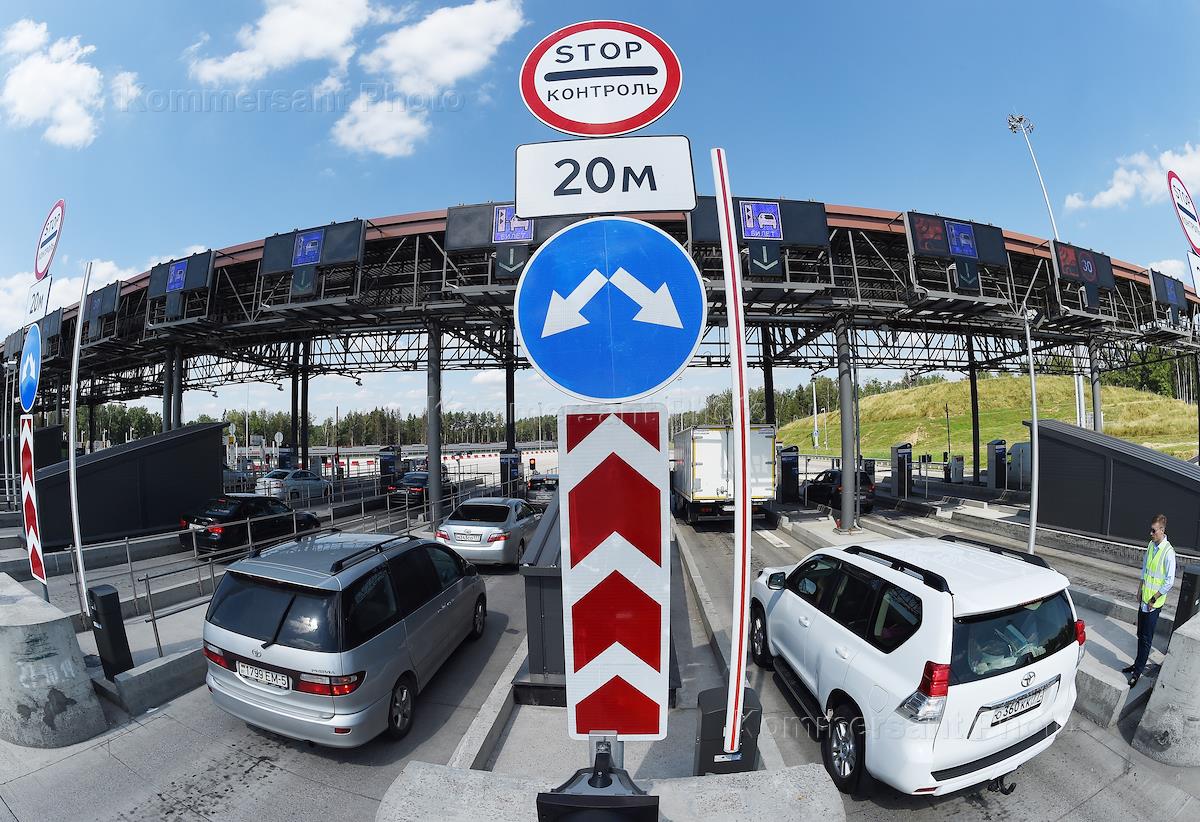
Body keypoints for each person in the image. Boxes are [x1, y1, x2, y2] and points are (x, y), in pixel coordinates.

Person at [1124, 514, 1176, 687]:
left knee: (1146, 639)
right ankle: (1137, 664)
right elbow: (1145, 570)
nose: (1151, 533)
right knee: (1140, 634)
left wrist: (1154, 598)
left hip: (1154, 603)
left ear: (1162, 530)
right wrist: (1140, 589)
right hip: (1144, 600)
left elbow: (1169, 581)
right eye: (1151, 530)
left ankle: (1137, 672)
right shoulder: (1150, 545)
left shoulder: (1168, 552)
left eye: (1154, 531)